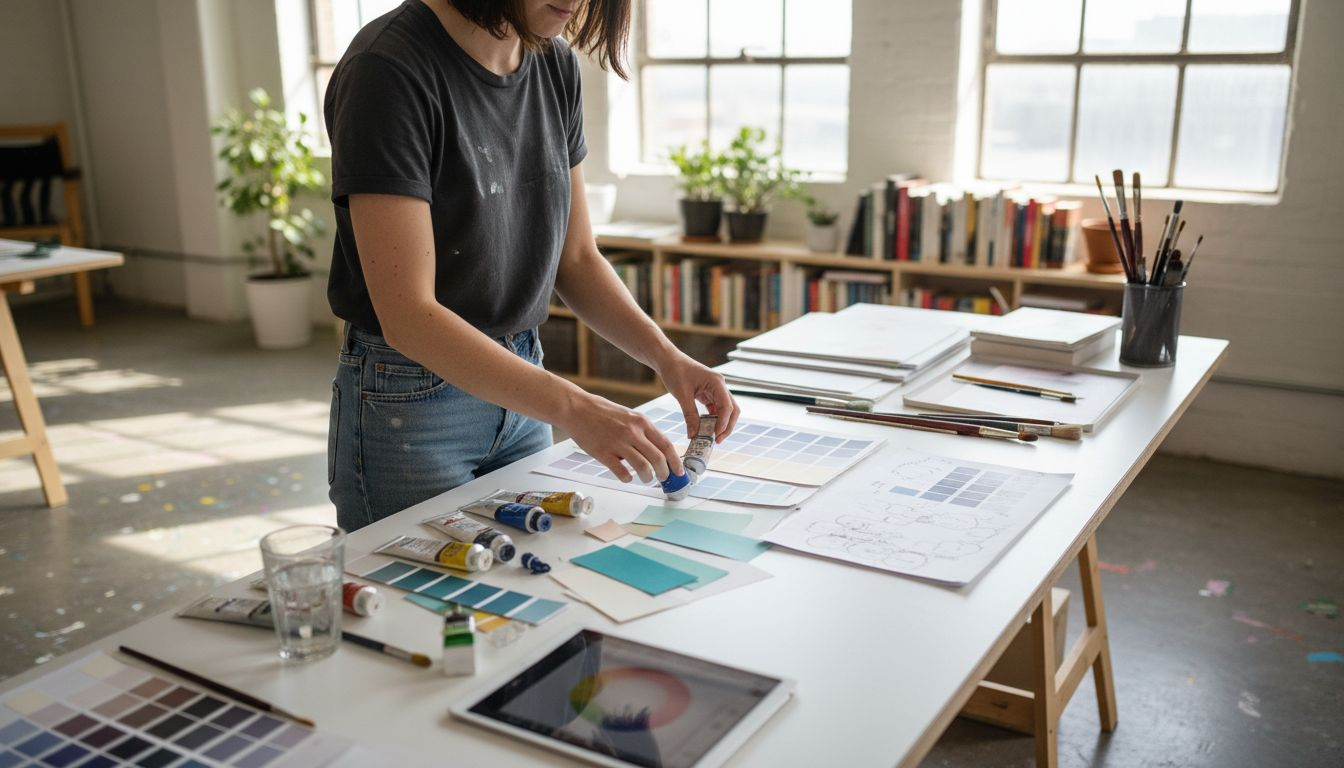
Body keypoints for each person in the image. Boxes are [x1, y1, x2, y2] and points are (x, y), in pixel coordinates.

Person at [325, 0, 738, 532]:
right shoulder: (388, 69)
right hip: (411, 399)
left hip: (524, 376)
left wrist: (666, 357)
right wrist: (576, 409)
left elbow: (578, 258)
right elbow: (408, 315)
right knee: (424, 600)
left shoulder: (553, 62)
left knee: (532, 583)